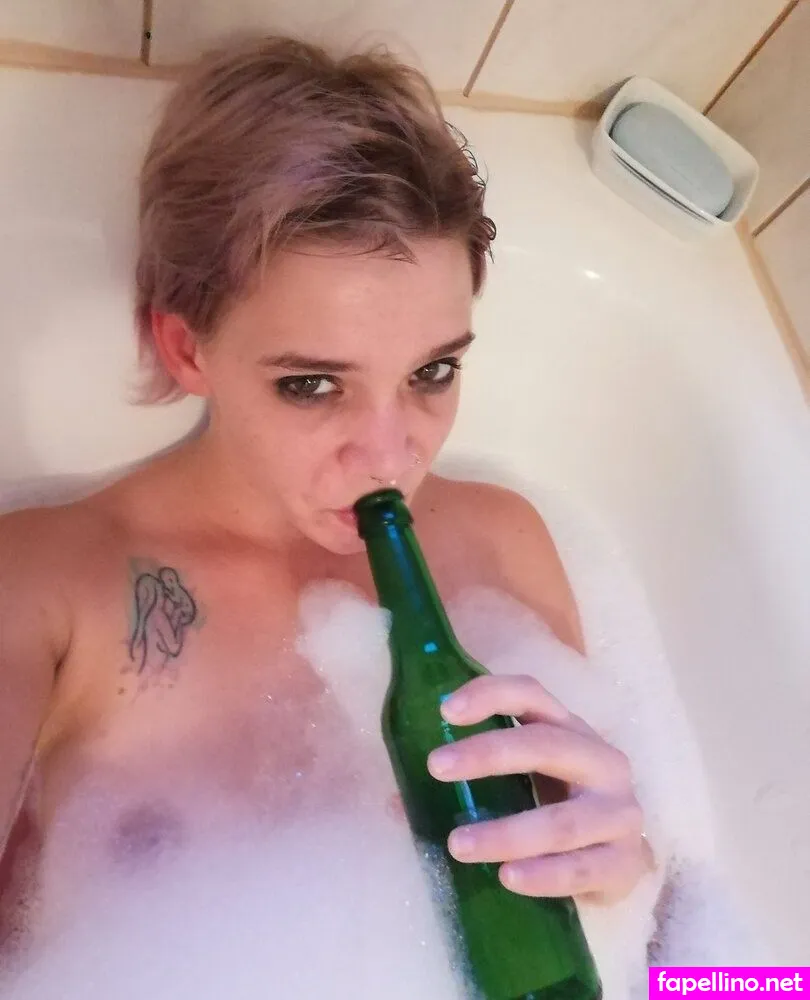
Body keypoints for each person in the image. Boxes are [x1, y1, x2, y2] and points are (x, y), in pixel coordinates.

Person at [0, 34, 653, 969]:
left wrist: (630, 883)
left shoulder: (506, 541)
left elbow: (722, 972)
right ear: (186, 349)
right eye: (311, 385)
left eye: (432, 372)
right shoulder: (44, 587)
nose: (391, 456)